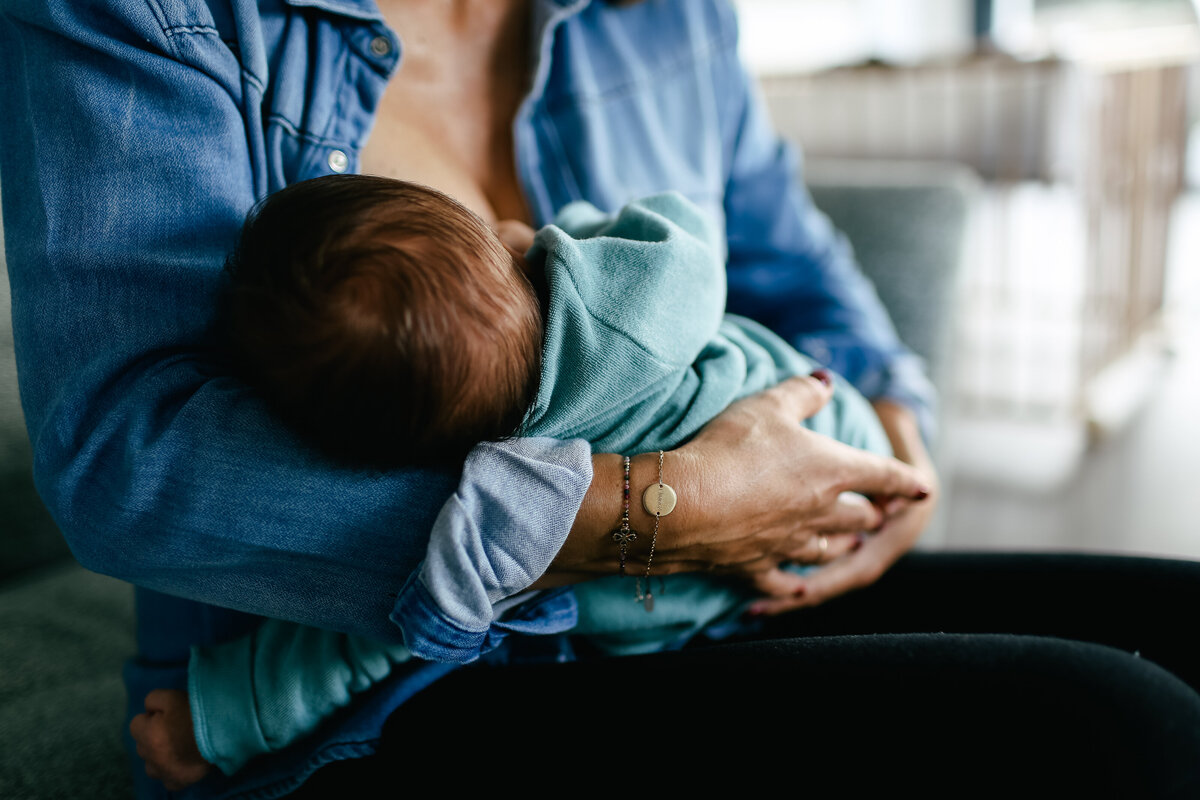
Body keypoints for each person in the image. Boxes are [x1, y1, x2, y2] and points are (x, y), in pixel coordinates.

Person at [3, 2, 1198, 798]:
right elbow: (125, 454)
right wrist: (658, 510)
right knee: (1122, 727)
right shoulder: (148, 20)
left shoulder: (660, 13)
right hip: (431, 679)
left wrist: (891, 451)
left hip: (734, 583)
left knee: (1176, 623)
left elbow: (793, 258)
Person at [129, 177, 897, 785]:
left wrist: (219, 715)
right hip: (842, 453)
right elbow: (681, 226)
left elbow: (360, 641)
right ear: (495, 242)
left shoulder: (497, 499)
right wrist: (562, 241)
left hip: (698, 624)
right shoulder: (635, 301)